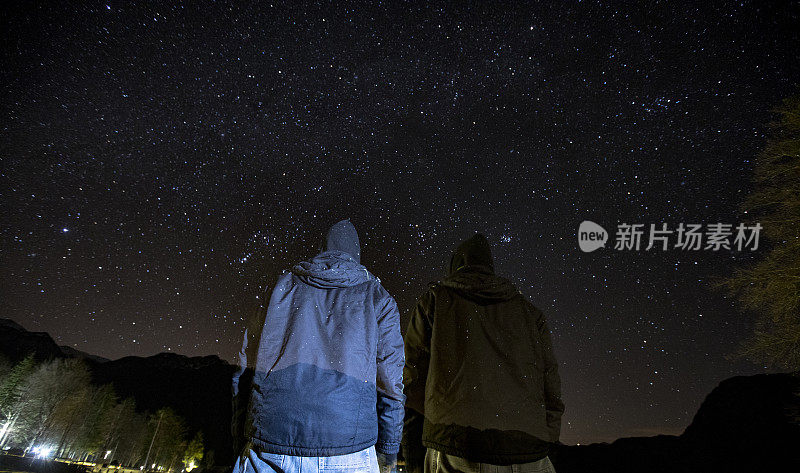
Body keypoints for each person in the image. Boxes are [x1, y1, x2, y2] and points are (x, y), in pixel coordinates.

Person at [231, 219, 405, 473]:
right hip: (350, 449)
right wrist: (389, 449)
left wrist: (240, 435)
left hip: (268, 445)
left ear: (322, 249)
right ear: (356, 255)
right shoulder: (379, 297)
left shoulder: (278, 287)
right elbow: (390, 383)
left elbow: (244, 369)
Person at [402, 234, 564, 473]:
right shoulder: (530, 313)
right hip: (530, 453)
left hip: (457, 448)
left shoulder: (434, 301)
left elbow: (412, 381)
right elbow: (550, 386)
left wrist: (415, 450)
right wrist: (545, 438)